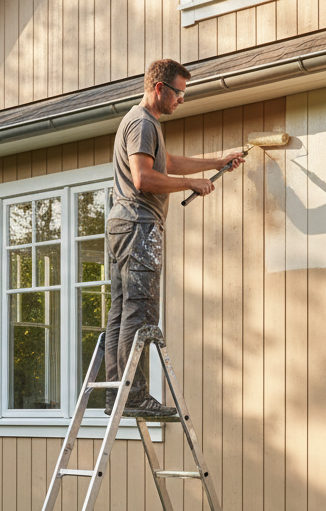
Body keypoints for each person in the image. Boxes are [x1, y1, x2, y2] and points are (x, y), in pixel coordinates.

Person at [104, 59, 244, 417]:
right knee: (139, 310)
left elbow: (166, 163)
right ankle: (133, 396)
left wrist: (216, 162)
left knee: (122, 310)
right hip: (138, 224)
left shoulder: (143, 124)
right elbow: (144, 178)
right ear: (160, 88)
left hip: (124, 225)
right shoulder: (142, 123)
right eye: (179, 92)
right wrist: (190, 184)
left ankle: (116, 395)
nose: (182, 99)